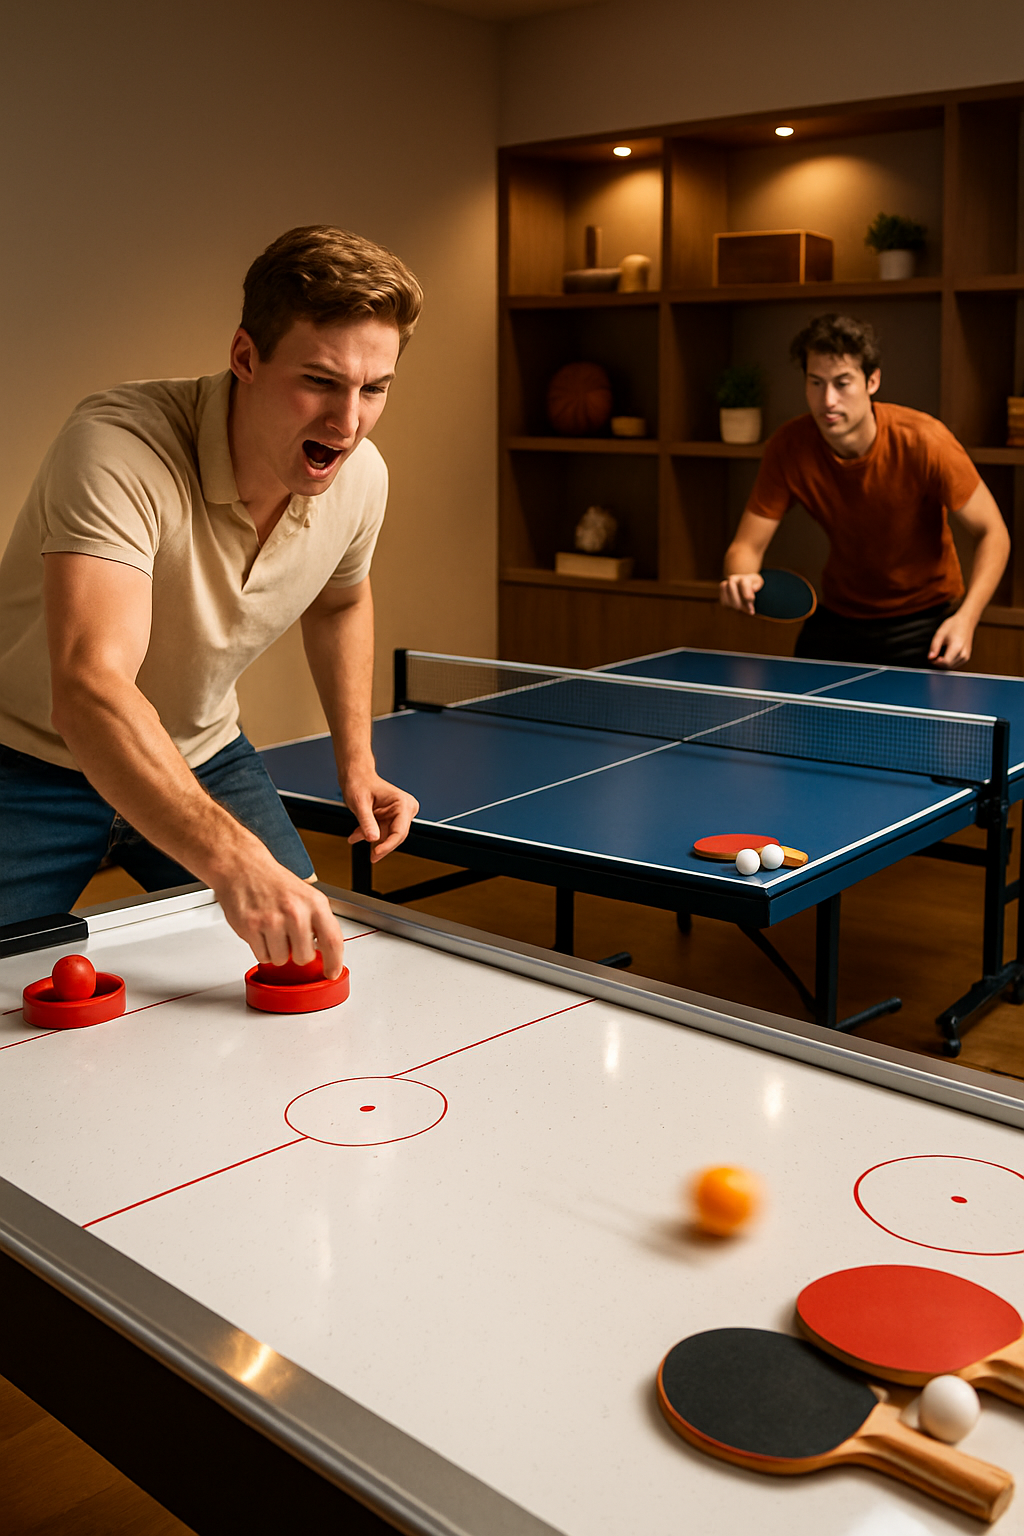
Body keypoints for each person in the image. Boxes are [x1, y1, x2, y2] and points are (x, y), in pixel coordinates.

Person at [0, 225, 424, 977]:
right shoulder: (116, 448)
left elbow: (339, 603)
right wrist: (234, 859)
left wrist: (355, 760)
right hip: (26, 761)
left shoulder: (361, 479)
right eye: (321, 381)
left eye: (374, 388)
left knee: (308, 965)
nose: (348, 422)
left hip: (203, 753)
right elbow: (90, 689)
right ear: (245, 358)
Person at [719, 314, 1010, 669]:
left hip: (921, 619)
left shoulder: (925, 441)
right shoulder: (789, 446)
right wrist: (741, 577)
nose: (828, 400)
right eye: (816, 382)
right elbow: (746, 547)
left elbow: (994, 533)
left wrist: (967, 618)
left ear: (872, 381)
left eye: (842, 383)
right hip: (839, 616)